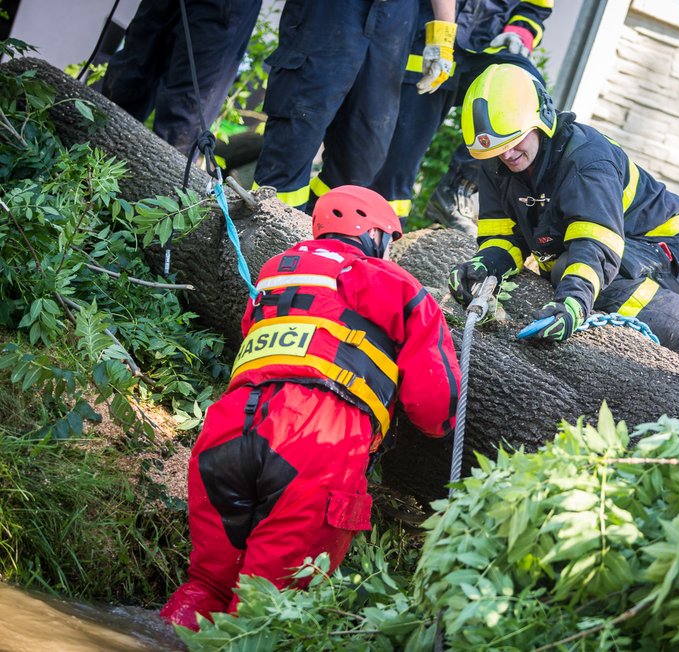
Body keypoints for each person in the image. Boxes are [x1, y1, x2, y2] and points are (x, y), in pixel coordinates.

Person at [160, 186, 462, 630]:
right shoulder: (391, 282)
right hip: (314, 439)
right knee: (265, 611)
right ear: (374, 235)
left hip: (227, 429)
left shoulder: (275, 273)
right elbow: (436, 406)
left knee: (207, 585)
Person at [448, 64, 679, 373]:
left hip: (672, 247)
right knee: (564, 267)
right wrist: (485, 266)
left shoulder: (586, 161)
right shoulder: (497, 162)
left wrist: (575, 303)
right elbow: (504, 235)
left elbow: (595, 245)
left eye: (514, 141)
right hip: (609, 244)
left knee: (570, 269)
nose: (507, 155)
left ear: (541, 121)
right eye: (497, 149)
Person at [251, 0, 457, 213]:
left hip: (395, 16)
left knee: (360, 160)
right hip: (330, 12)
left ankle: (326, 238)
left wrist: (443, 35)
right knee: (296, 137)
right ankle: (268, 231)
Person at [368, 0, 553, 230]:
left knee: (521, 79)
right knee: (395, 166)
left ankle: (458, 190)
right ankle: (370, 234)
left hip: (485, 49)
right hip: (425, 45)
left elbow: (534, 7)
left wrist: (518, 33)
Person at [101, 0, 262, 158]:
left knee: (182, 117)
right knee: (126, 78)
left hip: (223, 8)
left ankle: (158, 181)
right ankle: (90, 163)